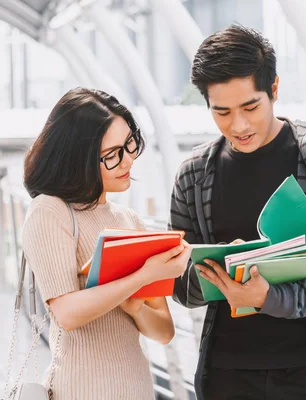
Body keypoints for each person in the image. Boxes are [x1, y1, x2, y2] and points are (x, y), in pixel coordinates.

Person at [170, 25, 306, 400]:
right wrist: (215, 273)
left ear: (274, 90)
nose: (239, 125)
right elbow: (178, 284)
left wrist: (270, 298)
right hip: (228, 375)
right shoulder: (193, 175)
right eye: (222, 112)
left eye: (250, 107)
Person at [22, 87, 192, 400]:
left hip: (137, 389)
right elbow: (67, 314)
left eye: (130, 143)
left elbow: (164, 331)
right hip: (81, 391)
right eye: (113, 155)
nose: (128, 160)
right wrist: (142, 277)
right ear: (79, 158)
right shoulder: (50, 211)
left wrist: (136, 308)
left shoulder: (129, 220)